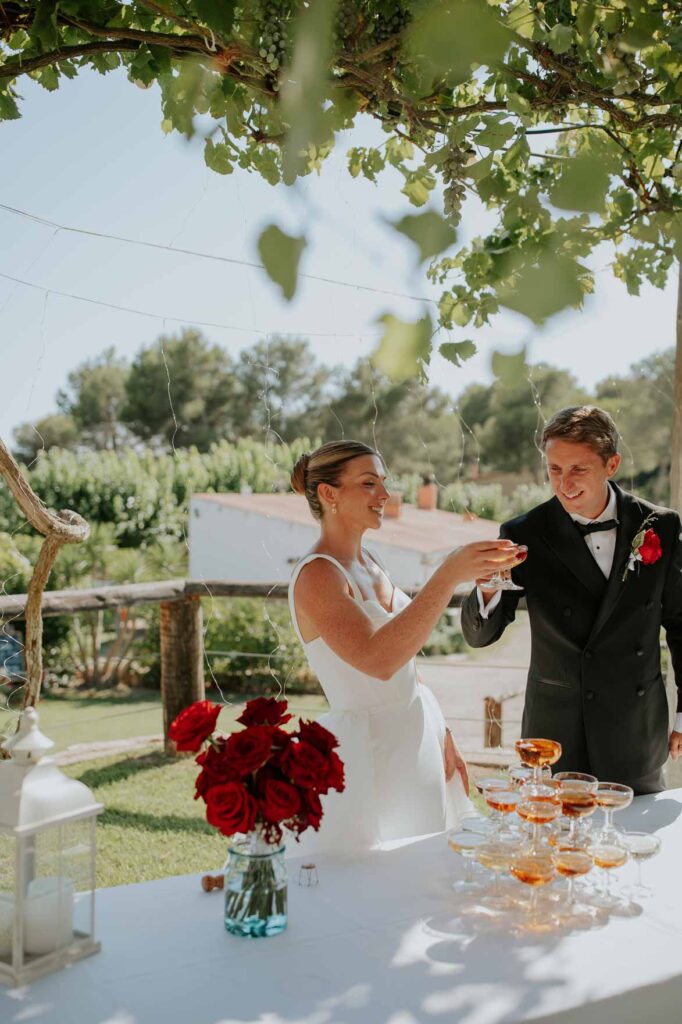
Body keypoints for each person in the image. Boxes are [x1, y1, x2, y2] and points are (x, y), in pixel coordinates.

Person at [288, 440, 521, 854]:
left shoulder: (371, 561)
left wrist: (443, 733)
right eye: (369, 483)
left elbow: (406, 656)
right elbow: (378, 660)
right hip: (368, 753)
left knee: (428, 868)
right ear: (329, 494)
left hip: (416, 732)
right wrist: (447, 575)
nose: (384, 495)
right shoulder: (317, 576)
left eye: (383, 482)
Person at [461, 405, 682, 794]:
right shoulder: (523, 531)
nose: (564, 484)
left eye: (578, 469)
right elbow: (480, 638)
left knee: (633, 846)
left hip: (635, 731)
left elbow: (681, 624)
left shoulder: (660, 525)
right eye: (554, 470)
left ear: (611, 464)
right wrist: (489, 588)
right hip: (554, 737)